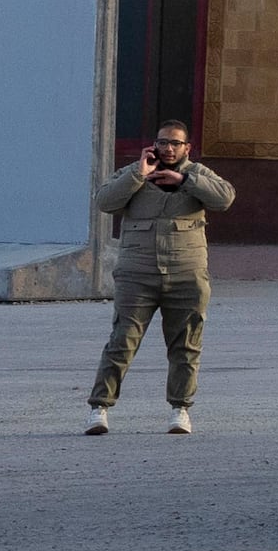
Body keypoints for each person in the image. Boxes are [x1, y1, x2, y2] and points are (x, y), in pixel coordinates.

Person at [88, 121, 234, 434]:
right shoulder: (135, 172)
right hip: (137, 274)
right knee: (121, 342)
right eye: (163, 142)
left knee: (186, 345)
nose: (168, 149)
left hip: (186, 274)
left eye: (175, 143)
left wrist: (184, 180)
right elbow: (104, 201)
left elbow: (224, 198)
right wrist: (137, 175)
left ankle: (180, 410)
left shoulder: (197, 174)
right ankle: (99, 409)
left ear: (187, 148)